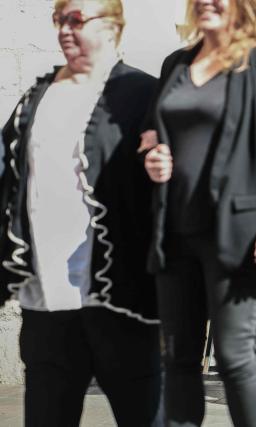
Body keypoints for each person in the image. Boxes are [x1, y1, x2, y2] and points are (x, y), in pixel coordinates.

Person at [142, 0, 256, 425]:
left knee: (235, 357)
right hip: (174, 231)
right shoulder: (176, 63)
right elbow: (152, 133)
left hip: (237, 231)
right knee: (178, 358)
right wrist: (152, 155)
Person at [0, 0, 161, 425]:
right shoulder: (36, 98)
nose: (64, 30)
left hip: (122, 303)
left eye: (76, 20)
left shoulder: (146, 94)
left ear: (112, 26)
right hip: (47, 307)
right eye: (58, 20)